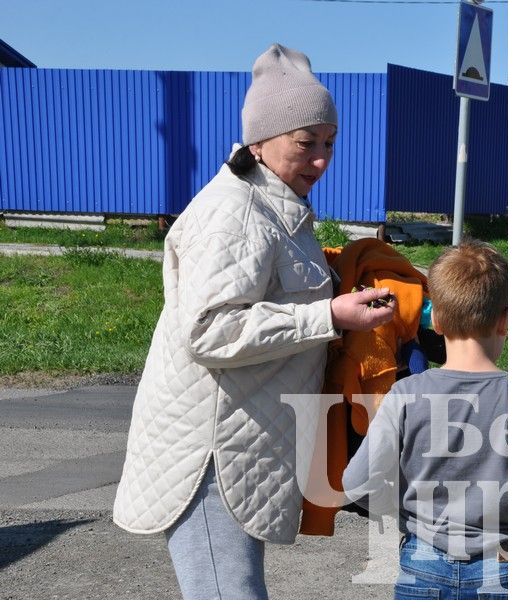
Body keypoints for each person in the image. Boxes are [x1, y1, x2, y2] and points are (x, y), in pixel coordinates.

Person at [112, 44, 395, 600]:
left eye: (329, 144)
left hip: (244, 446)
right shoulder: (236, 214)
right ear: (261, 141)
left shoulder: (276, 208)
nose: (320, 160)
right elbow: (209, 331)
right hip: (213, 458)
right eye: (306, 143)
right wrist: (328, 314)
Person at [343, 242, 508, 599]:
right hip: (503, 562)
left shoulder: (404, 396)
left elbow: (356, 483)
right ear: (505, 319)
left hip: (423, 560)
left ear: (436, 319)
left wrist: (408, 513)